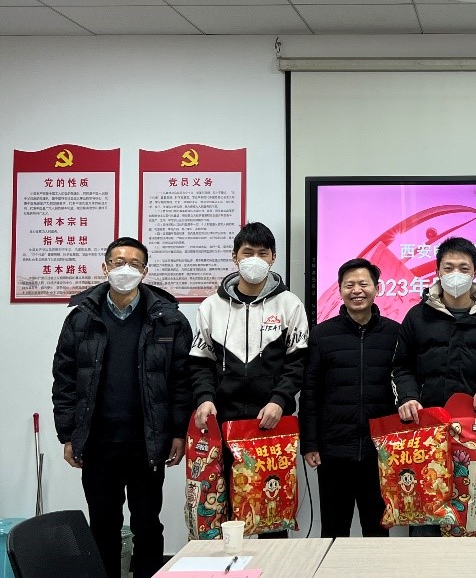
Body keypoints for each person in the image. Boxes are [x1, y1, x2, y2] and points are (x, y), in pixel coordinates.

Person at [52, 237, 192, 578]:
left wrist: (178, 432)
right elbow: (65, 380)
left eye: (134, 263)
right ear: (105, 267)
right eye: (118, 262)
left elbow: (181, 381)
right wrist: (68, 435)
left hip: (147, 443)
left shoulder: (169, 319)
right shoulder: (81, 319)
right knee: (102, 527)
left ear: (145, 271)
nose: (125, 269)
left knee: (147, 526)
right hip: (98, 444)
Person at [391, 236, 476, 536]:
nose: (456, 274)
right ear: (437, 271)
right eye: (448, 268)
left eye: (464, 268)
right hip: (428, 433)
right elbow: (401, 366)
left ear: (475, 272)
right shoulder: (417, 317)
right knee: (427, 520)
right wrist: (407, 397)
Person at [190, 222, 309, 538]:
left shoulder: (290, 304)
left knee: (271, 512)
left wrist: (279, 400)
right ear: (235, 257)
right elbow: (200, 363)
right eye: (247, 253)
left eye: (262, 253)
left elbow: (297, 363)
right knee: (225, 513)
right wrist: (205, 399)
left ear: (273, 258)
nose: (254, 259)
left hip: (270, 423)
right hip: (223, 424)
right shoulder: (211, 307)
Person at [301, 258, 399, 537]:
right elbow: (310, 393)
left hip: (379, 452)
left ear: (377, 288)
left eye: (363, 284)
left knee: (377, 530)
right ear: (340, 289)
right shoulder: (322, 334)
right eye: (349, 285)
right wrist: (310, 443)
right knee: (333, 530)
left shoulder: (395, 333)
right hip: (334, 450)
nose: (357, 290)